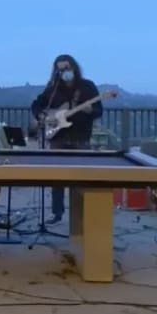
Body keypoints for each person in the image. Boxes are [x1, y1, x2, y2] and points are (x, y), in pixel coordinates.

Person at [30, 54, 103, 223]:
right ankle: (57, 212)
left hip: (80, 136)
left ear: (74, 68)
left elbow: (99, 110)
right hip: (58, 137)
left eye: (67, 68)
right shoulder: (53, 88)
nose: (64, 72)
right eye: (60, 69)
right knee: (57, 177)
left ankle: (84, 215)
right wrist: (42, 116)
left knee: (83, 177)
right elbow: (37, 104)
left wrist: (90, 111)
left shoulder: (87, 87)